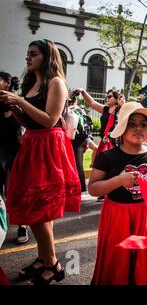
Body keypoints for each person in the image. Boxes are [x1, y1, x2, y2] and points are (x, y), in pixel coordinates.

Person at [0, 39, 81, 285]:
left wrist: (20, 101)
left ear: (46, 58)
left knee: (40, 209)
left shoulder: (56, 82)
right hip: (32, 143)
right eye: (27, 54)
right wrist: (14, 108)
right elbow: (29, 123)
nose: (28, 58)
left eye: (33, 54)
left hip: (48, 146)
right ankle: (44, 258)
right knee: (33, 208)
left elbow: (49, 120)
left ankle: (53, 263)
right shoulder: (32, 83)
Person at [88, 101, 147, 285]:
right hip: (118, 218)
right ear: (122, 127)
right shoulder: (108, 157)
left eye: (143, 124)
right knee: (119, 260)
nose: (138, 128)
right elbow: (92, 188)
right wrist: (118, 181)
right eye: (132, 124)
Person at [0, 72, 29, 245]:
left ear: (8, 83)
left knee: (14, 194)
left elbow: (24, 133)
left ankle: (22, 225)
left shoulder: (18, 103)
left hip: (16, 155)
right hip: (0, 155)